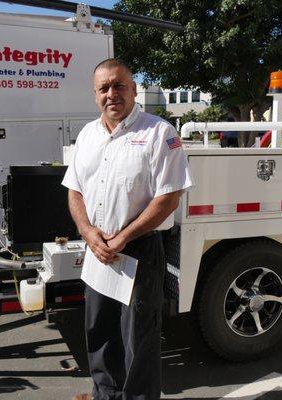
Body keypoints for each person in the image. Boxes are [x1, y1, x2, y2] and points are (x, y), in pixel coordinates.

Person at [62, 58, 193, 400]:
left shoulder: (159, 133)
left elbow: (169, 197)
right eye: (103, 88)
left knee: (138, 339)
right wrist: (88, 232)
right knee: (100, 331)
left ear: (134, 90)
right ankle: (106, 395)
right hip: (98, 250)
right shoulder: (88, 135)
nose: (111, 94)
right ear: (95, 95)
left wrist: (121, 238)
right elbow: (74, 190)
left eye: (119, 85)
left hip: (138, 250)